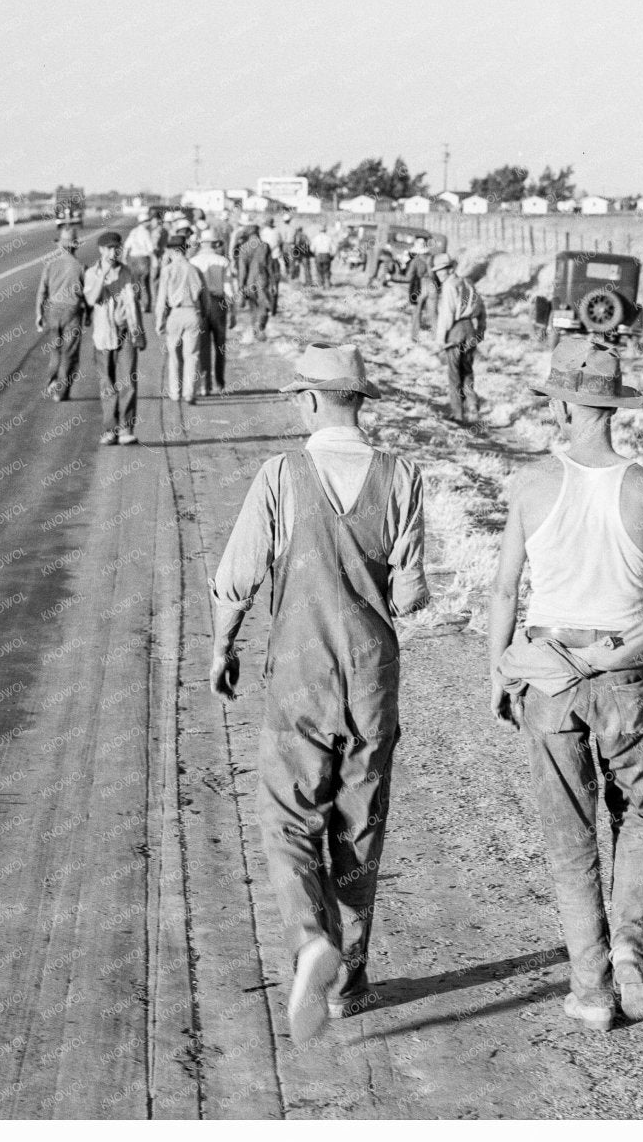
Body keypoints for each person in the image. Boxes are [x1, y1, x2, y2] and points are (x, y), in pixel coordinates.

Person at [209, 344, 428, 1043]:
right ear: (359, 400)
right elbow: (412, 591)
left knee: (287, 818)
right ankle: (348, 981)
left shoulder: (281, 474)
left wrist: (223, 646)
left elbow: (237, 577)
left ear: (308, 401)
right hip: (371, 675)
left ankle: (311, 939)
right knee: (358, 827)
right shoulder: (403, 475)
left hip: (301, 675)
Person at [486, 339, 643, 1032]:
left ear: (570, 404)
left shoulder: (533, 482)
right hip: (625, 679)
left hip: (551, 679)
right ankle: (633, 954)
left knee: (569, 836)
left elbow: (504, 586)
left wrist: (498, 667)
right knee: (638, 815)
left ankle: (592, 988)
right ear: (613, 406)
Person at [84, 230, 147, 444]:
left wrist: (141, 334)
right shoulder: (92, 273)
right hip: (103, 336)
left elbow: (134, 304)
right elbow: (91, 299)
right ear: (101, 250)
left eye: (116, 247)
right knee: (107, 384)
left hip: (126, 333)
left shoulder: (128, 272)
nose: (114, 251)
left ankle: (126, 429)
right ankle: (110, 430)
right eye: (110, 248)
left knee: (128, 382)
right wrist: (103, 275)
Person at [430, 253, 486, 424]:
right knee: (467, 372)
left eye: (441, 271)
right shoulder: (468, 282)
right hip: (471, 329)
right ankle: (473, 408)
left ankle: (457, 414)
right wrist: (481, 329)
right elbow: (482, 307)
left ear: (449, 270)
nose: (439, 275)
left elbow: (446, 315)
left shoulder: (448, 286)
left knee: (454, 375)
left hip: (455, 331)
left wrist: (440, 340)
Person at [33, 223, 86, 401]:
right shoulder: (80, 267)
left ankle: (51, 381)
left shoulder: (50, 265)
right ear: (74, 245)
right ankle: (61, 392)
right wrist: (89, 315)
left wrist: (39, 314)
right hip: (72, 311)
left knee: (55, 350)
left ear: (60, 245)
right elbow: (87, 295)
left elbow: (42, 291)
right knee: (69, 353)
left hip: (53, 311)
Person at [155, 223, 206, 404]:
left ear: (172, 251)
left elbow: (161, 300)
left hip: (175, 314)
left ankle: (175, 393)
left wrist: (159, 322)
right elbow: (203, 296)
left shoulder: (167, 271)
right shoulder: (195, 270)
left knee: (174, 357)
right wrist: (203, 315)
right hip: (192, 313)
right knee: (192, 355)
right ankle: (189, 392)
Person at [191, 227, 231, 394]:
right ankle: (220, 384)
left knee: (203, 346)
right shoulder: (223, 261)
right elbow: (229, 287)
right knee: (220, 345)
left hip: (200, 304)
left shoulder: (193, 262)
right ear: (215, 243)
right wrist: (233, 309)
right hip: (218, 303)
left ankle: (204, 385)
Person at [235, 223, 277, 343]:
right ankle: (260, 327)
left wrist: (240, 285)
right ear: (257, 233)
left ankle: (255, 329)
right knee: (264, 305)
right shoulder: (265, 246)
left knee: (253, 306)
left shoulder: (244, 247)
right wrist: (273, 282)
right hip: (263, 280)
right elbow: (270, 266)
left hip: (249, 282)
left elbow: (242, 269)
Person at [123, 212, 160, 317]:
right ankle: (146, 305)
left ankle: (135, 303)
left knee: (135, 282)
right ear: (144, 222)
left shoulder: (133, 232)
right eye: (147, 221)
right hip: (143, 259)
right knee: (145, 283)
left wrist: (124, 259)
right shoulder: (145, 232)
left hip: (133, 259)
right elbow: (150, 249)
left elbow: (126, 246)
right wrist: (154, 260)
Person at [403, 241, 436, 337]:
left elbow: (408, 277)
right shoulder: (432, 259)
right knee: (433, 313)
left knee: (417, 312)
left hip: (421, 286)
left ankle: (414, 336)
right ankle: (436, 335)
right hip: (432, 286)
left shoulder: (416, 261)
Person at [311, 222, 335, 287]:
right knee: (326, 271)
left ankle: (321, 285)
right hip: (326, 255)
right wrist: (332, 256)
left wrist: (314, 254)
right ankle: (327, 285)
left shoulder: (315, 238)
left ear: (319, 230)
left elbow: (312, 249)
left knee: (319, 272)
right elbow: (334, 249)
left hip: (318, 256)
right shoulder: (329, 238)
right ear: (325, 230)